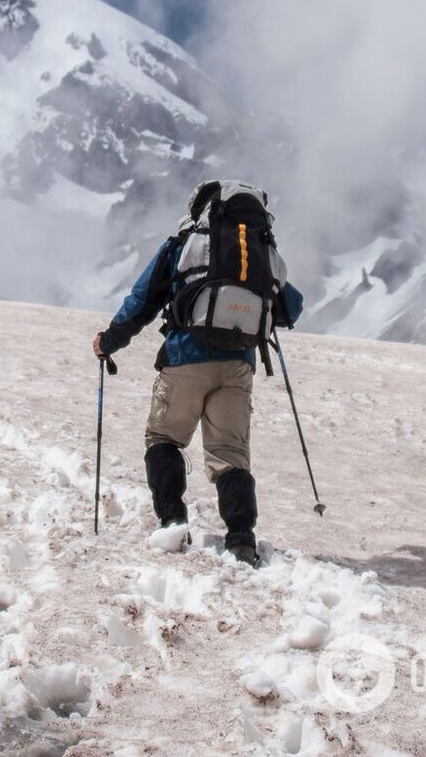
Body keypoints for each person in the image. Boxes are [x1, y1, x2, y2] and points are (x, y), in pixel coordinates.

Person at [91, 180, 304, 568]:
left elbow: (142, 301)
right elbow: (291, 307)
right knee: (230, 455)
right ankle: (241, 540)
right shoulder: (263, 253)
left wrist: (109, 341)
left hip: (185, 357)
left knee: (164, 438)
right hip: (238, 366)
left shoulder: (184, 246)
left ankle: (173, 520)